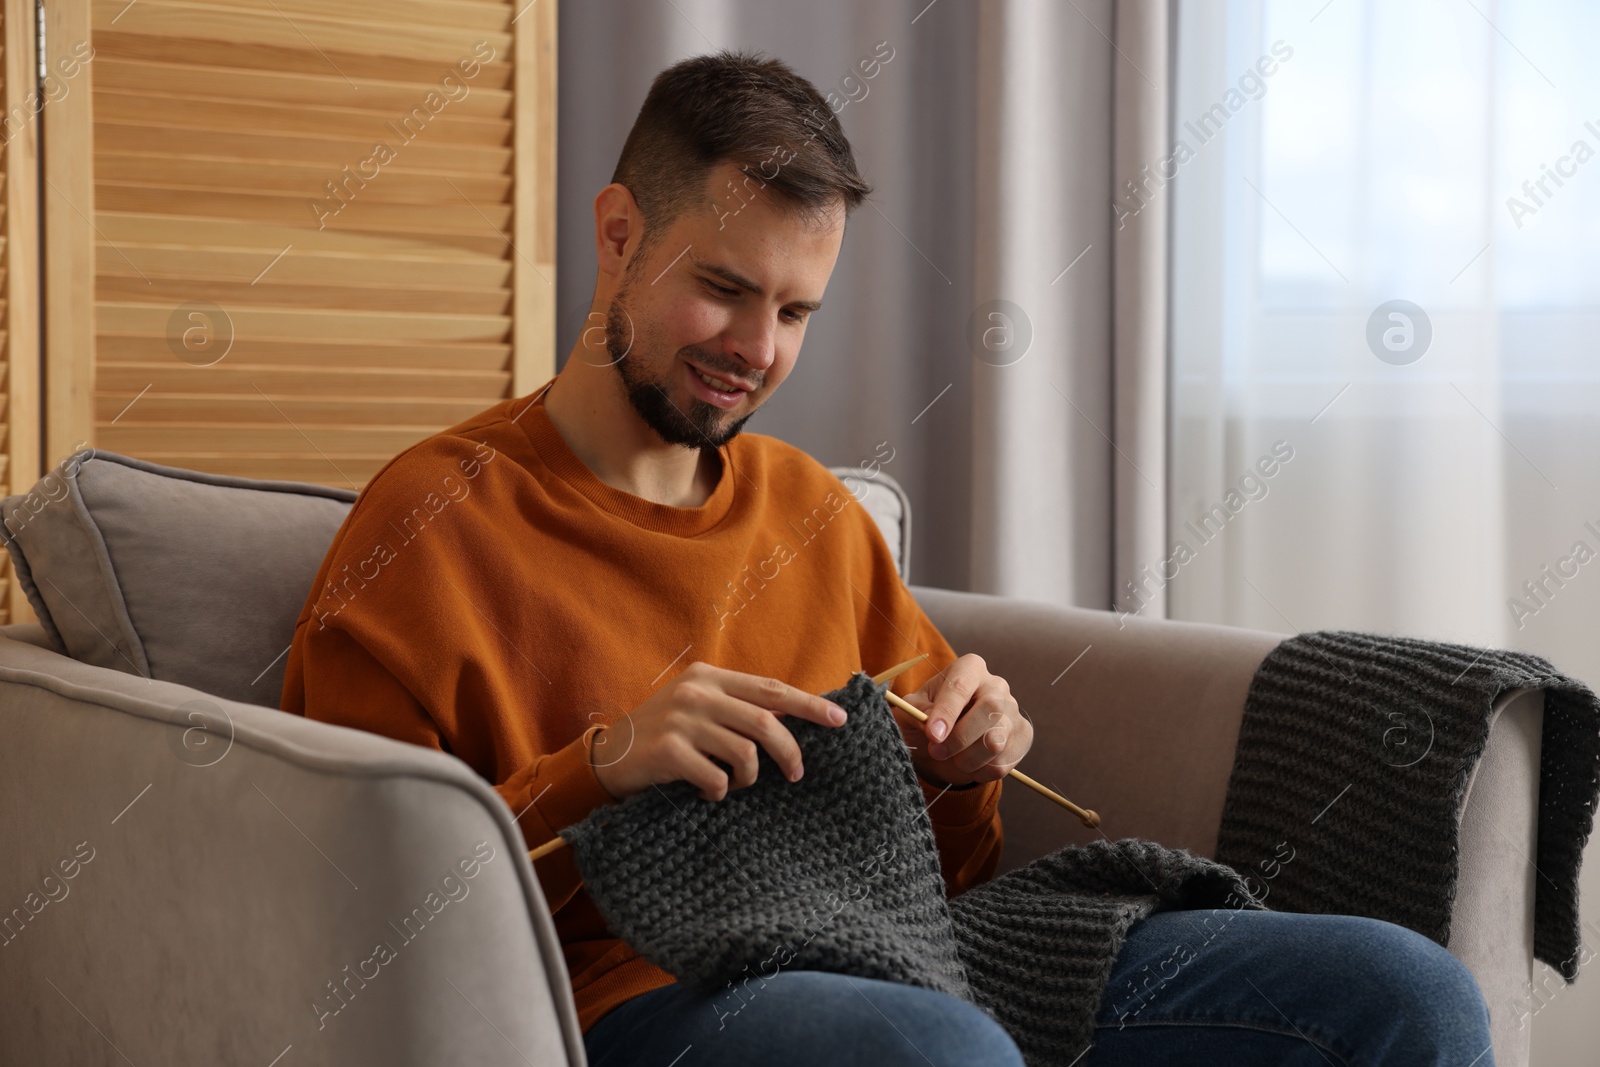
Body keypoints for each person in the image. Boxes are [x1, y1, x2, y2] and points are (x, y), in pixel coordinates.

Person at [283, 50, 1495, 1067]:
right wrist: (600, 767)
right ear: (616, 234)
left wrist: (966, 767)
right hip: (636, 991)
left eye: (797, 311)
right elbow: (359, 919)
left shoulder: (810, 511)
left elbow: (947, 873)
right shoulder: (429, 521)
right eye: (722, 288)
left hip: (906, 947)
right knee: (939, 1050)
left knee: (1403, 989)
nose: (755, 348)